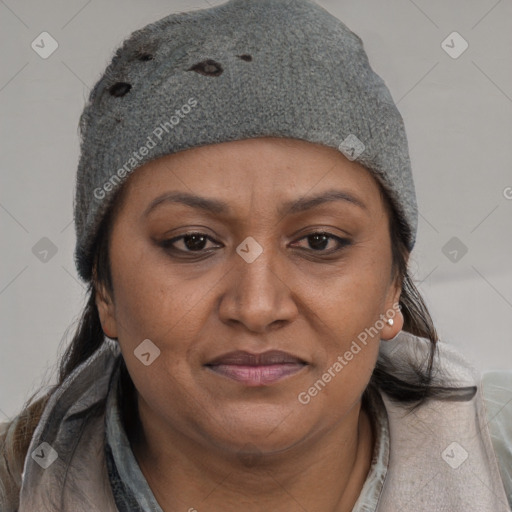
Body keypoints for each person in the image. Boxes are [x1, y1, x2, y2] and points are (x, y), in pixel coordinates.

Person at [1, 0, 511, 510]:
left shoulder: (496, 460)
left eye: (319, 241)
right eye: (193, 242)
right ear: (105, 289)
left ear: (394, 282)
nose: (257, 307)